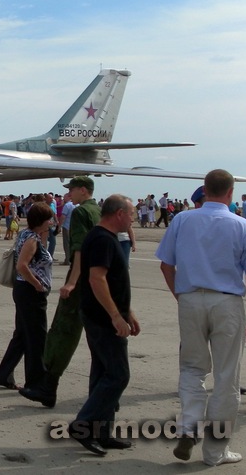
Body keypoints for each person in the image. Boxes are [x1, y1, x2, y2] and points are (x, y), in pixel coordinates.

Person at [156, 169, 246, 466]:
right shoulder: (242, 226)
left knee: (192, 368)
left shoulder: (182, 220)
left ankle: (189, 426)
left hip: (190, 298)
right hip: (226, 302)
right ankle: (215, 451)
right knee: (227, 376)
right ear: (230, 193)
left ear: (205, 189)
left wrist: (183, 297)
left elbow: (166, 265)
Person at [20, 176, 100, 408]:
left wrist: (72, 281)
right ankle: (103, 394)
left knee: (63, 332)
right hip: (99, 278)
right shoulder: (98, 210)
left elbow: (79, 250)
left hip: (82, 279)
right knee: (100, 337)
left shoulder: (81, 212)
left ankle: (48, 387)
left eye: (72, 190)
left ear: (83, 191)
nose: (68, 195)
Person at [69, 195, 141, 456]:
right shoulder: (101, 239)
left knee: (102, 374)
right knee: (118, 375)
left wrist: (127, 312)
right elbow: (97, 279)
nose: (133, 218)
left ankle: (102, 432)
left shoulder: (105, 238)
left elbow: (113, 282)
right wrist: (115, 316)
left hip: (104, 315)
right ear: (119, 213)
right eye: (131, 213)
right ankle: (83, 425)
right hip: (102, 319)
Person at [0, 202, 53, 391]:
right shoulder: (31, 240)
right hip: (30, 292)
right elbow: (22, 265)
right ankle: (35, 383)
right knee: (36, 338)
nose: (51, 222)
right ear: (41, 221)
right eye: (49, 219)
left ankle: (4, 375)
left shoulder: (27, 234)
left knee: (21, 335)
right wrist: (38, 284)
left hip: (22, 290)